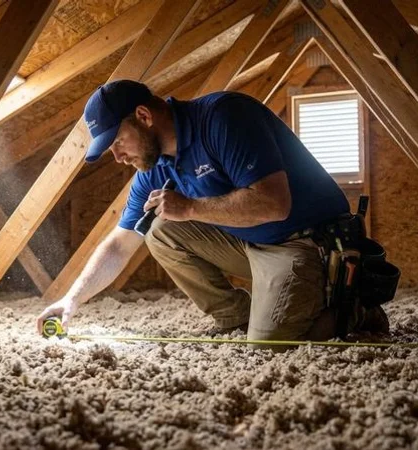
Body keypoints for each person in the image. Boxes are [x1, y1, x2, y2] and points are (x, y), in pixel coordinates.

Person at [37, 79, 385, 344]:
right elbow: (120, 244)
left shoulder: (224, 117)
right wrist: (71, 301)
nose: (118, 157)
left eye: (118, 143)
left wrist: (189, 208)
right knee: (160, 229)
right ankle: (236, 316)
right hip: (252, 245)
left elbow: (275, 204)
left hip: (307, 242)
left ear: (143, 116)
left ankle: (355, 312)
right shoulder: (155, 167)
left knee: (271, 345)